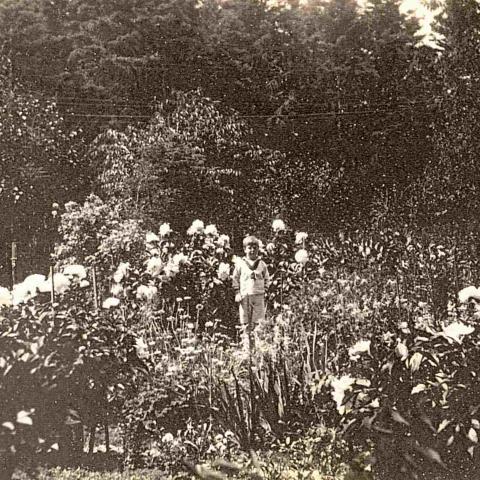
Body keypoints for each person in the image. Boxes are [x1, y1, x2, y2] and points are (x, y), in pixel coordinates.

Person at [232, 235, 270, 350]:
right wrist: (237, 292)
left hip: (259, 295)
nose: (252, 250)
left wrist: (266, 290)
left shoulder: (262, 264)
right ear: (245, 249)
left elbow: (267, 278)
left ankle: (259, 347)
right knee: (246, 322)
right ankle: (246, 347)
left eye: (255, 247)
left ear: (258, 249)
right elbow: (235, 278)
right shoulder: (241, 264)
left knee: (259, 322)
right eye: (249, 248)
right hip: (245, 296)